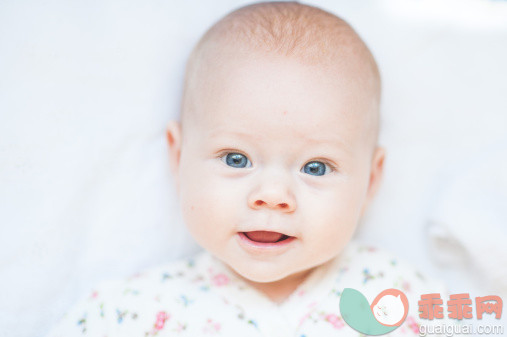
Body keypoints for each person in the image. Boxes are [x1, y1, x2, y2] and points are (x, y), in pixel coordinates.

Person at [46, 2, 447, 336]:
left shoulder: (402, 294)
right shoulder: (125, 313)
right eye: (236, 159)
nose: (272, 196)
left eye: (316, 167)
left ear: (371, 180)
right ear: (178, 156)